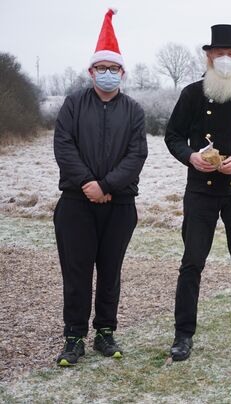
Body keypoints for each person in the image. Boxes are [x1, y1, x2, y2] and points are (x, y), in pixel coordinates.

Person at [165, 24, 231, 361]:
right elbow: (173, 136)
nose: (225, 59)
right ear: (208, 57)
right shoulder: (191, 94)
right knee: (191, 263)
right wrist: (190, 157)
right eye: (219, 54)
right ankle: (183, 335)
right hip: (200, 189)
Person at [53, 8, 147, 366]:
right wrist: (88, 184)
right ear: (91, 71)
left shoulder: (134, 111)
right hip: (76, 203)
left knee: (110, 271)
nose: (107, 74)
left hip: (120, 205)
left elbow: (137, 153)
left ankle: (105, 332)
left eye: (114, 69)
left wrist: (107, 185)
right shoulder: (73, 105)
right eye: (101, 69)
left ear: (122, 73)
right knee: (77, 272)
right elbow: (64, 146)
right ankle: (74, 336)